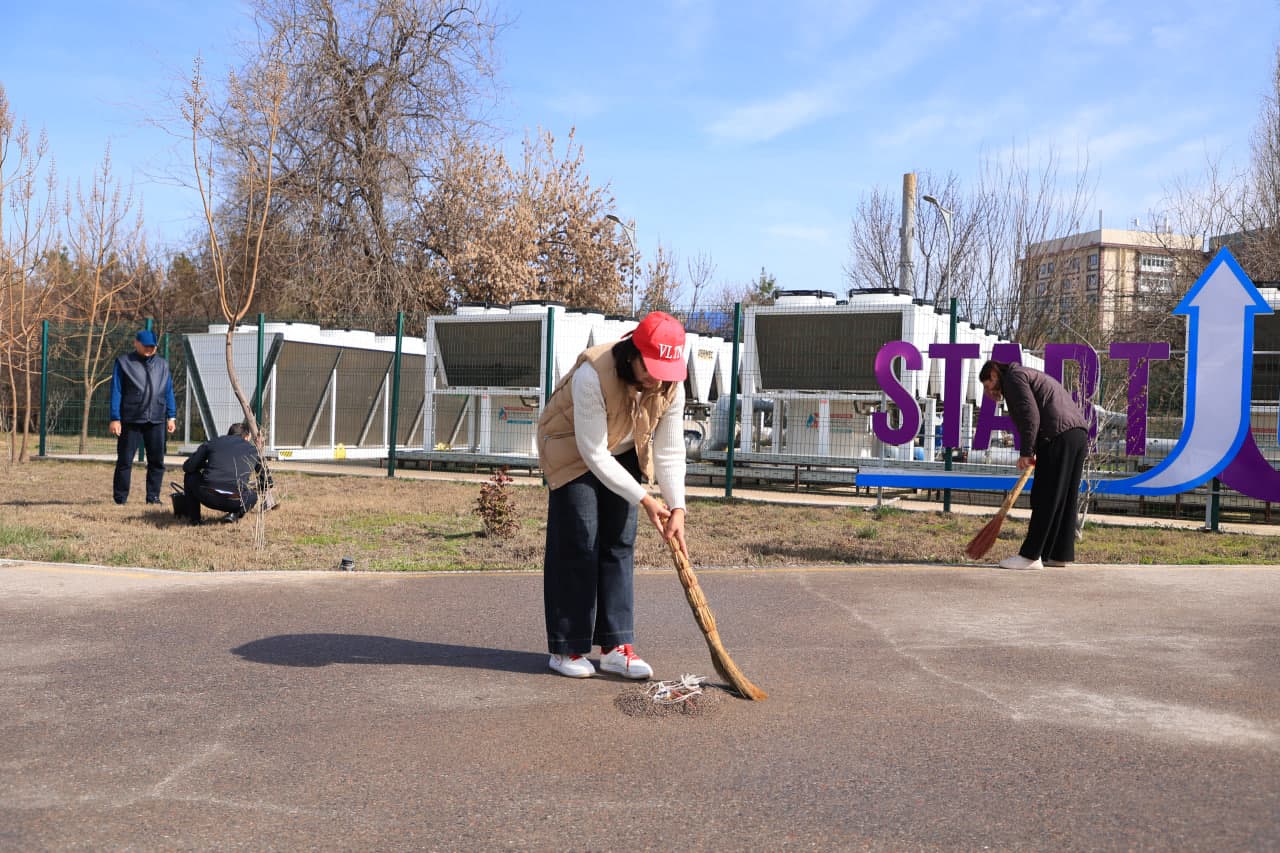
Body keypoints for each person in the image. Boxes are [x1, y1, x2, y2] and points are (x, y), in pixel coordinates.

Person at [536, 310, 690, 680]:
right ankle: (567, 647)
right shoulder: (594, 373)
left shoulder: (671, 383)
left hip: (620, 450)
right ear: (632, 352)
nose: (656, 379)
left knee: (620, 540)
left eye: (664, 371)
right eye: (650, 367)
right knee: (580, 539)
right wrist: (647, 499)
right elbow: (593, 453)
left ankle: (615, 647)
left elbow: (670, 451)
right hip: (571, 448)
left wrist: (678, 506)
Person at [979, 359, 1089, 570]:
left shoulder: (1013, 378)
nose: (988, 392)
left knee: (1044, 496)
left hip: (1057, 435)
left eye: (987, 385)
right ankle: (1057, 554)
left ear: (994, 374)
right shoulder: (1025, 375)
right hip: (1076, 435)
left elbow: (1031, 416)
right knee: (1063, 498)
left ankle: (1030, 556)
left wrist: (1027, 452)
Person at [109, 329, 176, 505]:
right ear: (136, 343)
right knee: (125, 460)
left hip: (156, 419)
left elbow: (168, 390)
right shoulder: (124, 363)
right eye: (146, 346)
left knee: (157, 461)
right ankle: (120, 498)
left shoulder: (163, 365)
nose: (149, 349)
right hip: (131, 419)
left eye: (152, 346)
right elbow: (116, 390)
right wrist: (115, 418)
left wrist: (172, 416)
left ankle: (153, 497)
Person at [180, 422, 264, 526]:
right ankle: (235, 514)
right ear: (246, 437)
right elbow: (267, 482)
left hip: (207, 496)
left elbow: (188, 467)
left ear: (228, 434)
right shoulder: (253, 450)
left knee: (190, 477)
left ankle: (195, 519)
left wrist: (205, 465)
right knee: (253, 495)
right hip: (236, 501)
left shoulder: (213, 442)